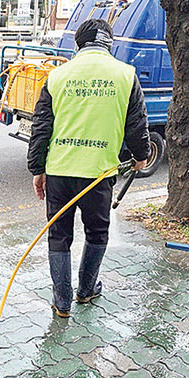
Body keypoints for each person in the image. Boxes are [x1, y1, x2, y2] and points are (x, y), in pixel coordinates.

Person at [28, 19, 150, 318]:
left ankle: (62, 301)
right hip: (99, 173)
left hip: (59, 170)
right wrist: (141, 155)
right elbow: (136, 124)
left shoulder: (57, 76)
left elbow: (42, 126)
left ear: (78, 44)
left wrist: (37, 168)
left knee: (59, 235)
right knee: (96, 232)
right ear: (110, 43)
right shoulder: (126, 75)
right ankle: (85, 290)